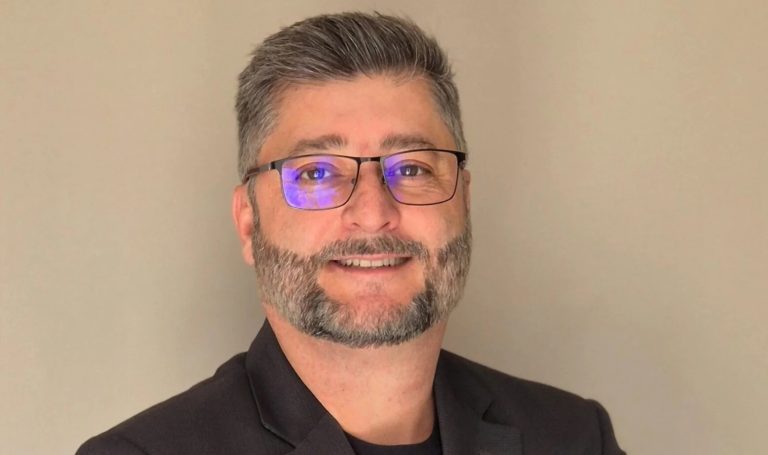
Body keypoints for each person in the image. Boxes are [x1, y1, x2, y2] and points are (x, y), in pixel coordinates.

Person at [77, 12, 625, 455]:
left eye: (412, 167)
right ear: (248, 221)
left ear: (464, 199)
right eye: (317, 173)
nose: (372, 212)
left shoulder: (575, 437)